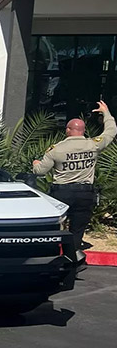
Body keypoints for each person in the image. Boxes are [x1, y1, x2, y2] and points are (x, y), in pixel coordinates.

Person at [33, 100, 117, 254]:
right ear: (84, 130)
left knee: (56, 227)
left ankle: (52, 255)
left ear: (67, 130)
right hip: (85, 193)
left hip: (61, 193)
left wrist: (35, 163)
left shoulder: (56, 149)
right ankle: (72, 256)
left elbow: (40, 171)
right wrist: (106, 112)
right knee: (77, 230)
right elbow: (111, 131)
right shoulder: (93, 145)